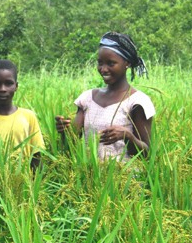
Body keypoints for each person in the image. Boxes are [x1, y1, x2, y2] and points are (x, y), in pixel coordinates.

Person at [55, 32, 155, 161]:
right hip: (90, 176)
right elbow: (71, 144)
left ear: (127, 63)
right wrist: (64, 131)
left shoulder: (138, 102)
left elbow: (145, 154)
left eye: (111, 63)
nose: (103, 69)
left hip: (124, 178)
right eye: (100, 63)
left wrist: (127, 136)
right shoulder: (87, 99)